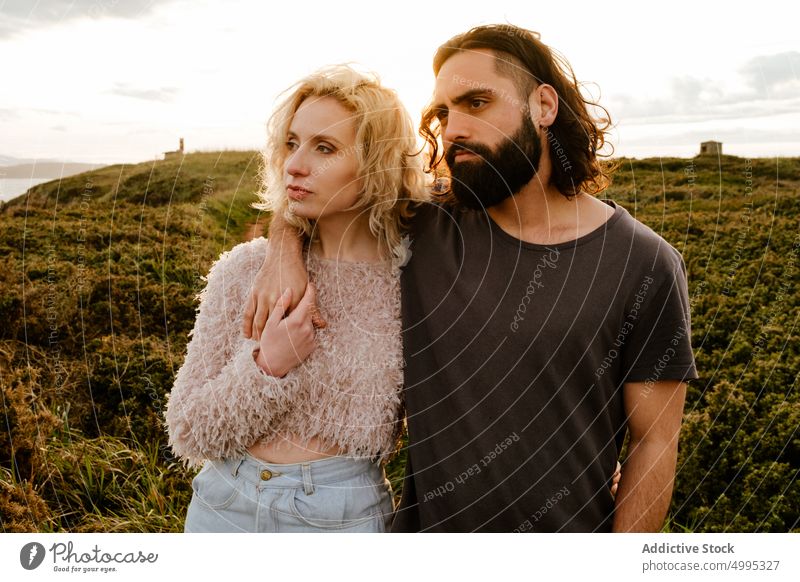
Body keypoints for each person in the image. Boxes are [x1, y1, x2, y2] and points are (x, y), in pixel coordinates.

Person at [243, 24, 697, 533]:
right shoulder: (426, 221)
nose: (452, 128)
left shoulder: (644, 262)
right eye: (442, 113)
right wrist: (283, 247)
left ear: (542, 106)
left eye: (476, 102)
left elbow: (655, 442)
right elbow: (324, 190)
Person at [164, 64, 429, 532]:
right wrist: (268, 366)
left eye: (324, 148)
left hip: (342, 517)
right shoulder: (245, 270)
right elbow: (188, 429)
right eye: (291, 143)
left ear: (377, 163)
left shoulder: (414, 285)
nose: (295, 164)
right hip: (223, 509)